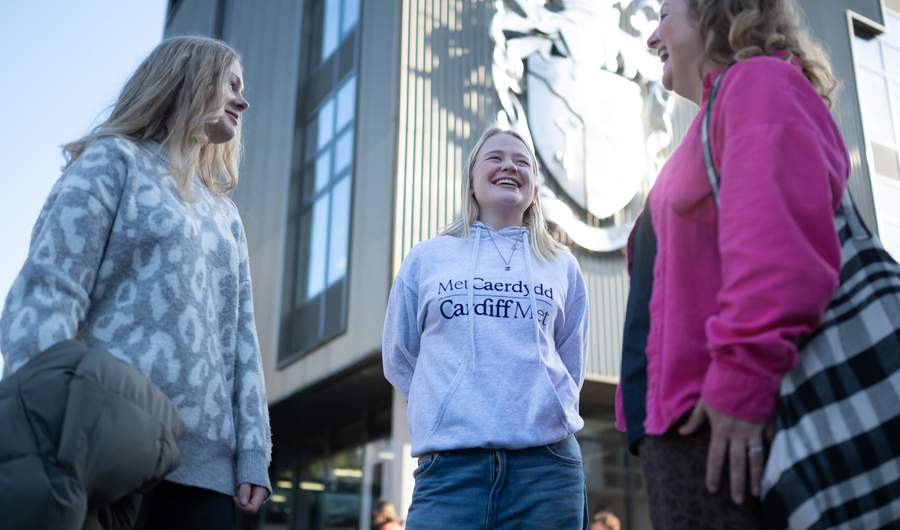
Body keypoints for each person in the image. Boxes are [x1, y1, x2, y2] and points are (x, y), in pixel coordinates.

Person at [0, 36, 272, 530]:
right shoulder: (112, 163)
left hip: (205, 475)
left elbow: (241, 343)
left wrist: (253, 452)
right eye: (230, 83)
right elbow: (46, 294)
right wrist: (54, 428)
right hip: (106, 448)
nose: (243, 99)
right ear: (187, 78)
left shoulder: (226, 216)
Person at [615, 0, 847, 528]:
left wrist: (741, 382)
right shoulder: (712, 118)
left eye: (664, 14)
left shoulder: (757, 83)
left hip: (721, 423)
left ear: (713, 12)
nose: (652, 38)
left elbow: (779, 248)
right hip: (682, 427)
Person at [382, 126, 591, 529]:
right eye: (495, 157)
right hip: (450, 472)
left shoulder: (562, 264)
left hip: (546, 472)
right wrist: (452, 402)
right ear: (472, 180)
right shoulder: (427, 258)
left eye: (522, 161)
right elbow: (399, 356)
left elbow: (570, 361)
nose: (509, 166)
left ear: (534, 188)